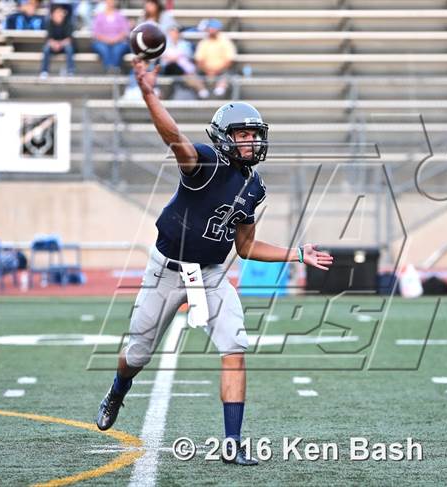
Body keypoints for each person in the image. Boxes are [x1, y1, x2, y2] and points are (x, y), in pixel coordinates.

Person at [96, 58, 334, 465]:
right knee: (137, 355)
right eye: (243, 135)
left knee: (235, 347)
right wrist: (149, 94)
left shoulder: (254, 186)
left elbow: (246, 246)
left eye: (254, 135)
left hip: (210, 275)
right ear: (225, 137)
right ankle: (118, 390)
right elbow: (174, 137)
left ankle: (232, 443)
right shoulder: (204, 163)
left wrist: (296, 253)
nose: (252, 142)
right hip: (166, 271)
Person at [161, 24, 208, 98]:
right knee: (174, 67)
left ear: (178, 34)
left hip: (183, 70)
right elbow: (166, 58)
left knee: (183, 71)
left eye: (175, 33)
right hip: (169, 69)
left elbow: (183, 57)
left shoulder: (185, 44)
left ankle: (201, 90)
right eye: (171, 33)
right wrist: (174, 57)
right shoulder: (165, 45)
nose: (173, 35)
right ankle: (201, 89)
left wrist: (172, 57)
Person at [194, 18, 236, 98]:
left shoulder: (225, 41)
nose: (210, 31)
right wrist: (208, 71)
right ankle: (203, 93)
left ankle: (219, 93)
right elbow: (199, 60)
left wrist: (216, 71)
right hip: (205, 71)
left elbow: (229, 61)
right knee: (193, 75)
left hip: (222, 70)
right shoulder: (204, 42)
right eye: (209, 29)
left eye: (212, 28)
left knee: (227, 75)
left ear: (217, 29)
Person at [91, 0, 130, 73]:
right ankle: (109, 68)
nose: (111, 2)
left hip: (118, 41)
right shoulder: (99, 16)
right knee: (103, 49)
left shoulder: (120, 15)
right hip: (102, 41)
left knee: (117, 49)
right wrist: (107, 40)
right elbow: (96, 33)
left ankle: (115, 68)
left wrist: (115, 39)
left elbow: (125, 31)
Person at [39, 5, 75, 78]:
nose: (60, 14)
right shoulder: (49, 23)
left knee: (69, 48)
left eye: (61, 12)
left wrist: (60, 44)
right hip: (53, 45)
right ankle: (44, 71)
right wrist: (54, 44)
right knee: (46, 48)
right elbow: (49, 38)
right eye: (57, 12)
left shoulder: (68, 22)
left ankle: (70, 71)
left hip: (64, 45)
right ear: (52, 14)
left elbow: (69, 39)